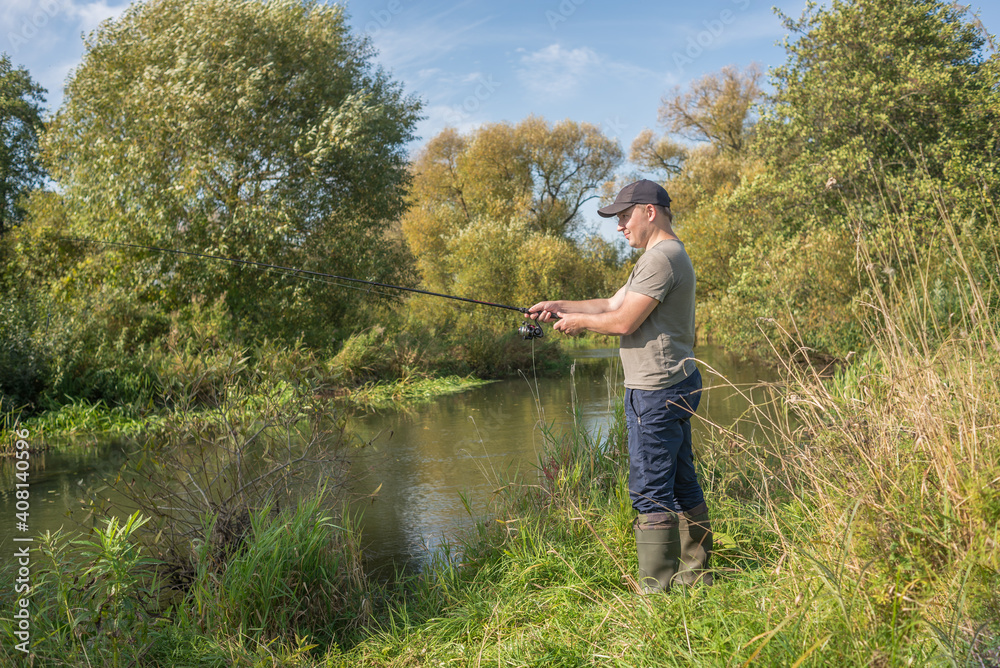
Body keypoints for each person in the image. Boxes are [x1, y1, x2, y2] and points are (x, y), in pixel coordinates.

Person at [526, 179, 712, 593]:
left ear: (650, 211)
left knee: (650, 489)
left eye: (624, 216)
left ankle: (657, 592)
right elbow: (611, 305)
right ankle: (694, 576)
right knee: (681, 480)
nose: (619, 226)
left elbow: (624, 321)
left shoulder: (661, 259)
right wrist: (560, 306)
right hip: (673, 383)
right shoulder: (663, 255)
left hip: (656, 391)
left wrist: (578, 323)